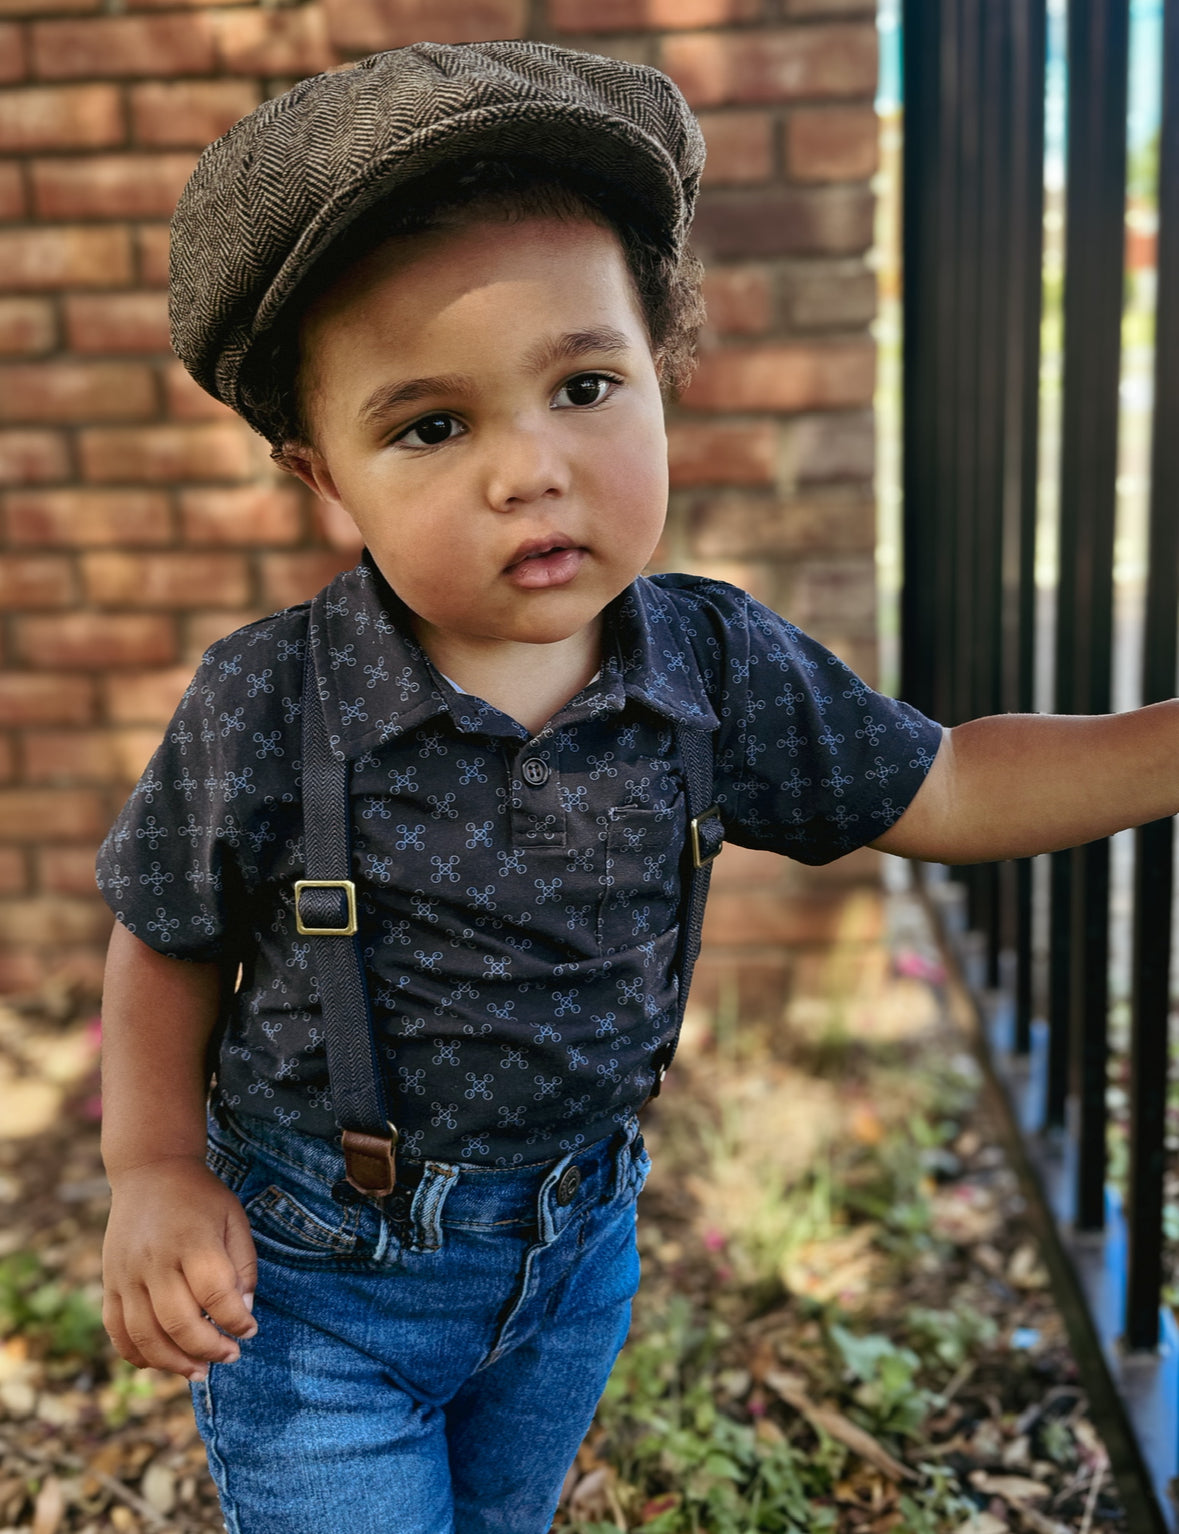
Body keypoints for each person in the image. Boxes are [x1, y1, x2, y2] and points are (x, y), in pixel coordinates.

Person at [95, 39, 1179, 1534]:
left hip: (574, 1257)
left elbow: (954, 786)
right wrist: (153, 1165)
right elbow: (166, 934)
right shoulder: (273, 701)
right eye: (432, 426)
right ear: (323, 474)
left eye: (584, 385)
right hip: (315, 1289)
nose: (529, 469)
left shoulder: (714, 666)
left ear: (662, 376)